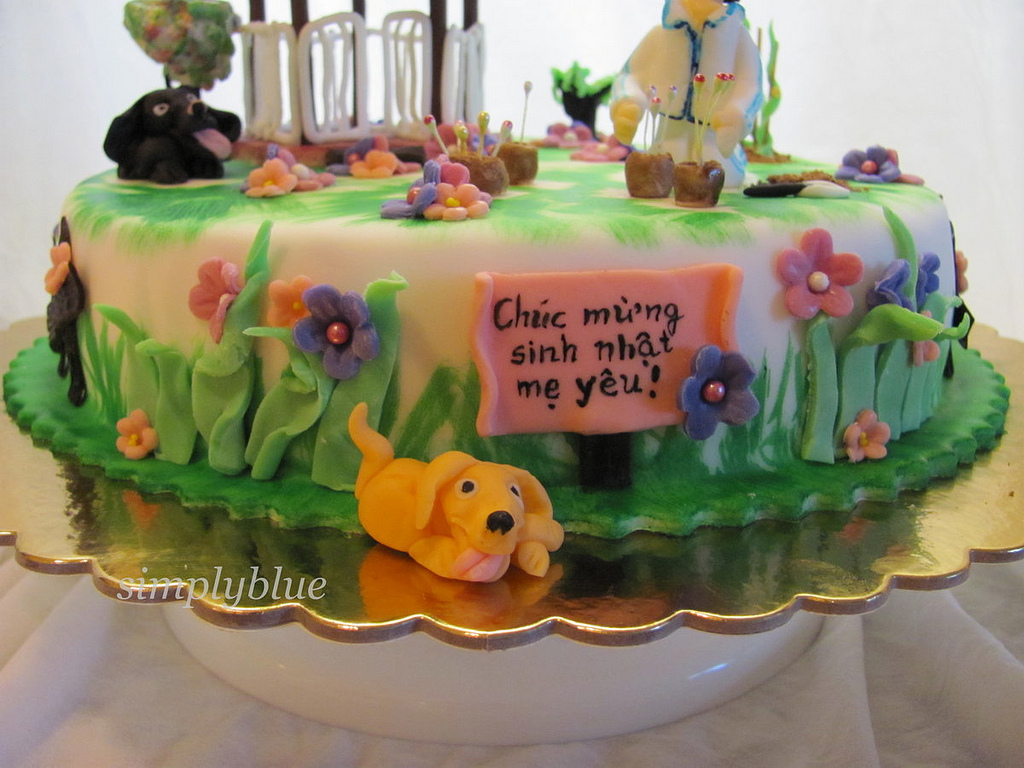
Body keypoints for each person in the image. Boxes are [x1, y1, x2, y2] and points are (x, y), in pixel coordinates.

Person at [610, 0, 762, 187]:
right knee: (660, 174)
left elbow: (750, 85)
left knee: (721, 177)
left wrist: (737, 113)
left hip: (714, 139)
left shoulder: (736, 38)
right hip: (667, 135)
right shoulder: (660, 35)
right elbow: (631, 75)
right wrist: (628, 101)